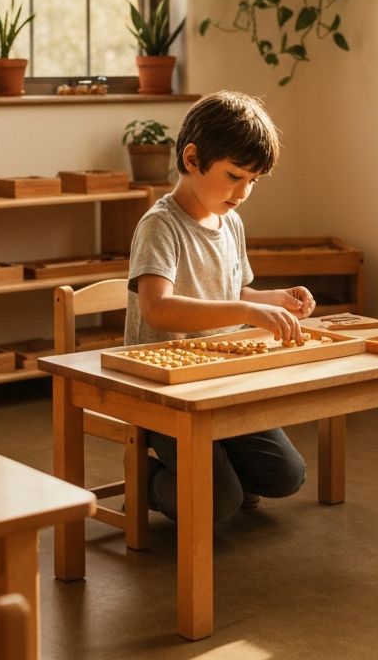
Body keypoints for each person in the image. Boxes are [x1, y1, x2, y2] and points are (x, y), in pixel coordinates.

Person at [124, 89, 315, 521]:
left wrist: (274, 300)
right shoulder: (160, 225)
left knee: (287, 476)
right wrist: (248, 312)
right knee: (218, 503)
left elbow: (234, 295)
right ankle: (144, 482)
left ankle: (219, 469)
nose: (244, 192)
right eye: (234, 176)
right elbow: (159, 309)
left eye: (253, 181)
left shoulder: (231, 221)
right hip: (166, 391)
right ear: (192, 160)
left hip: (223, 380)